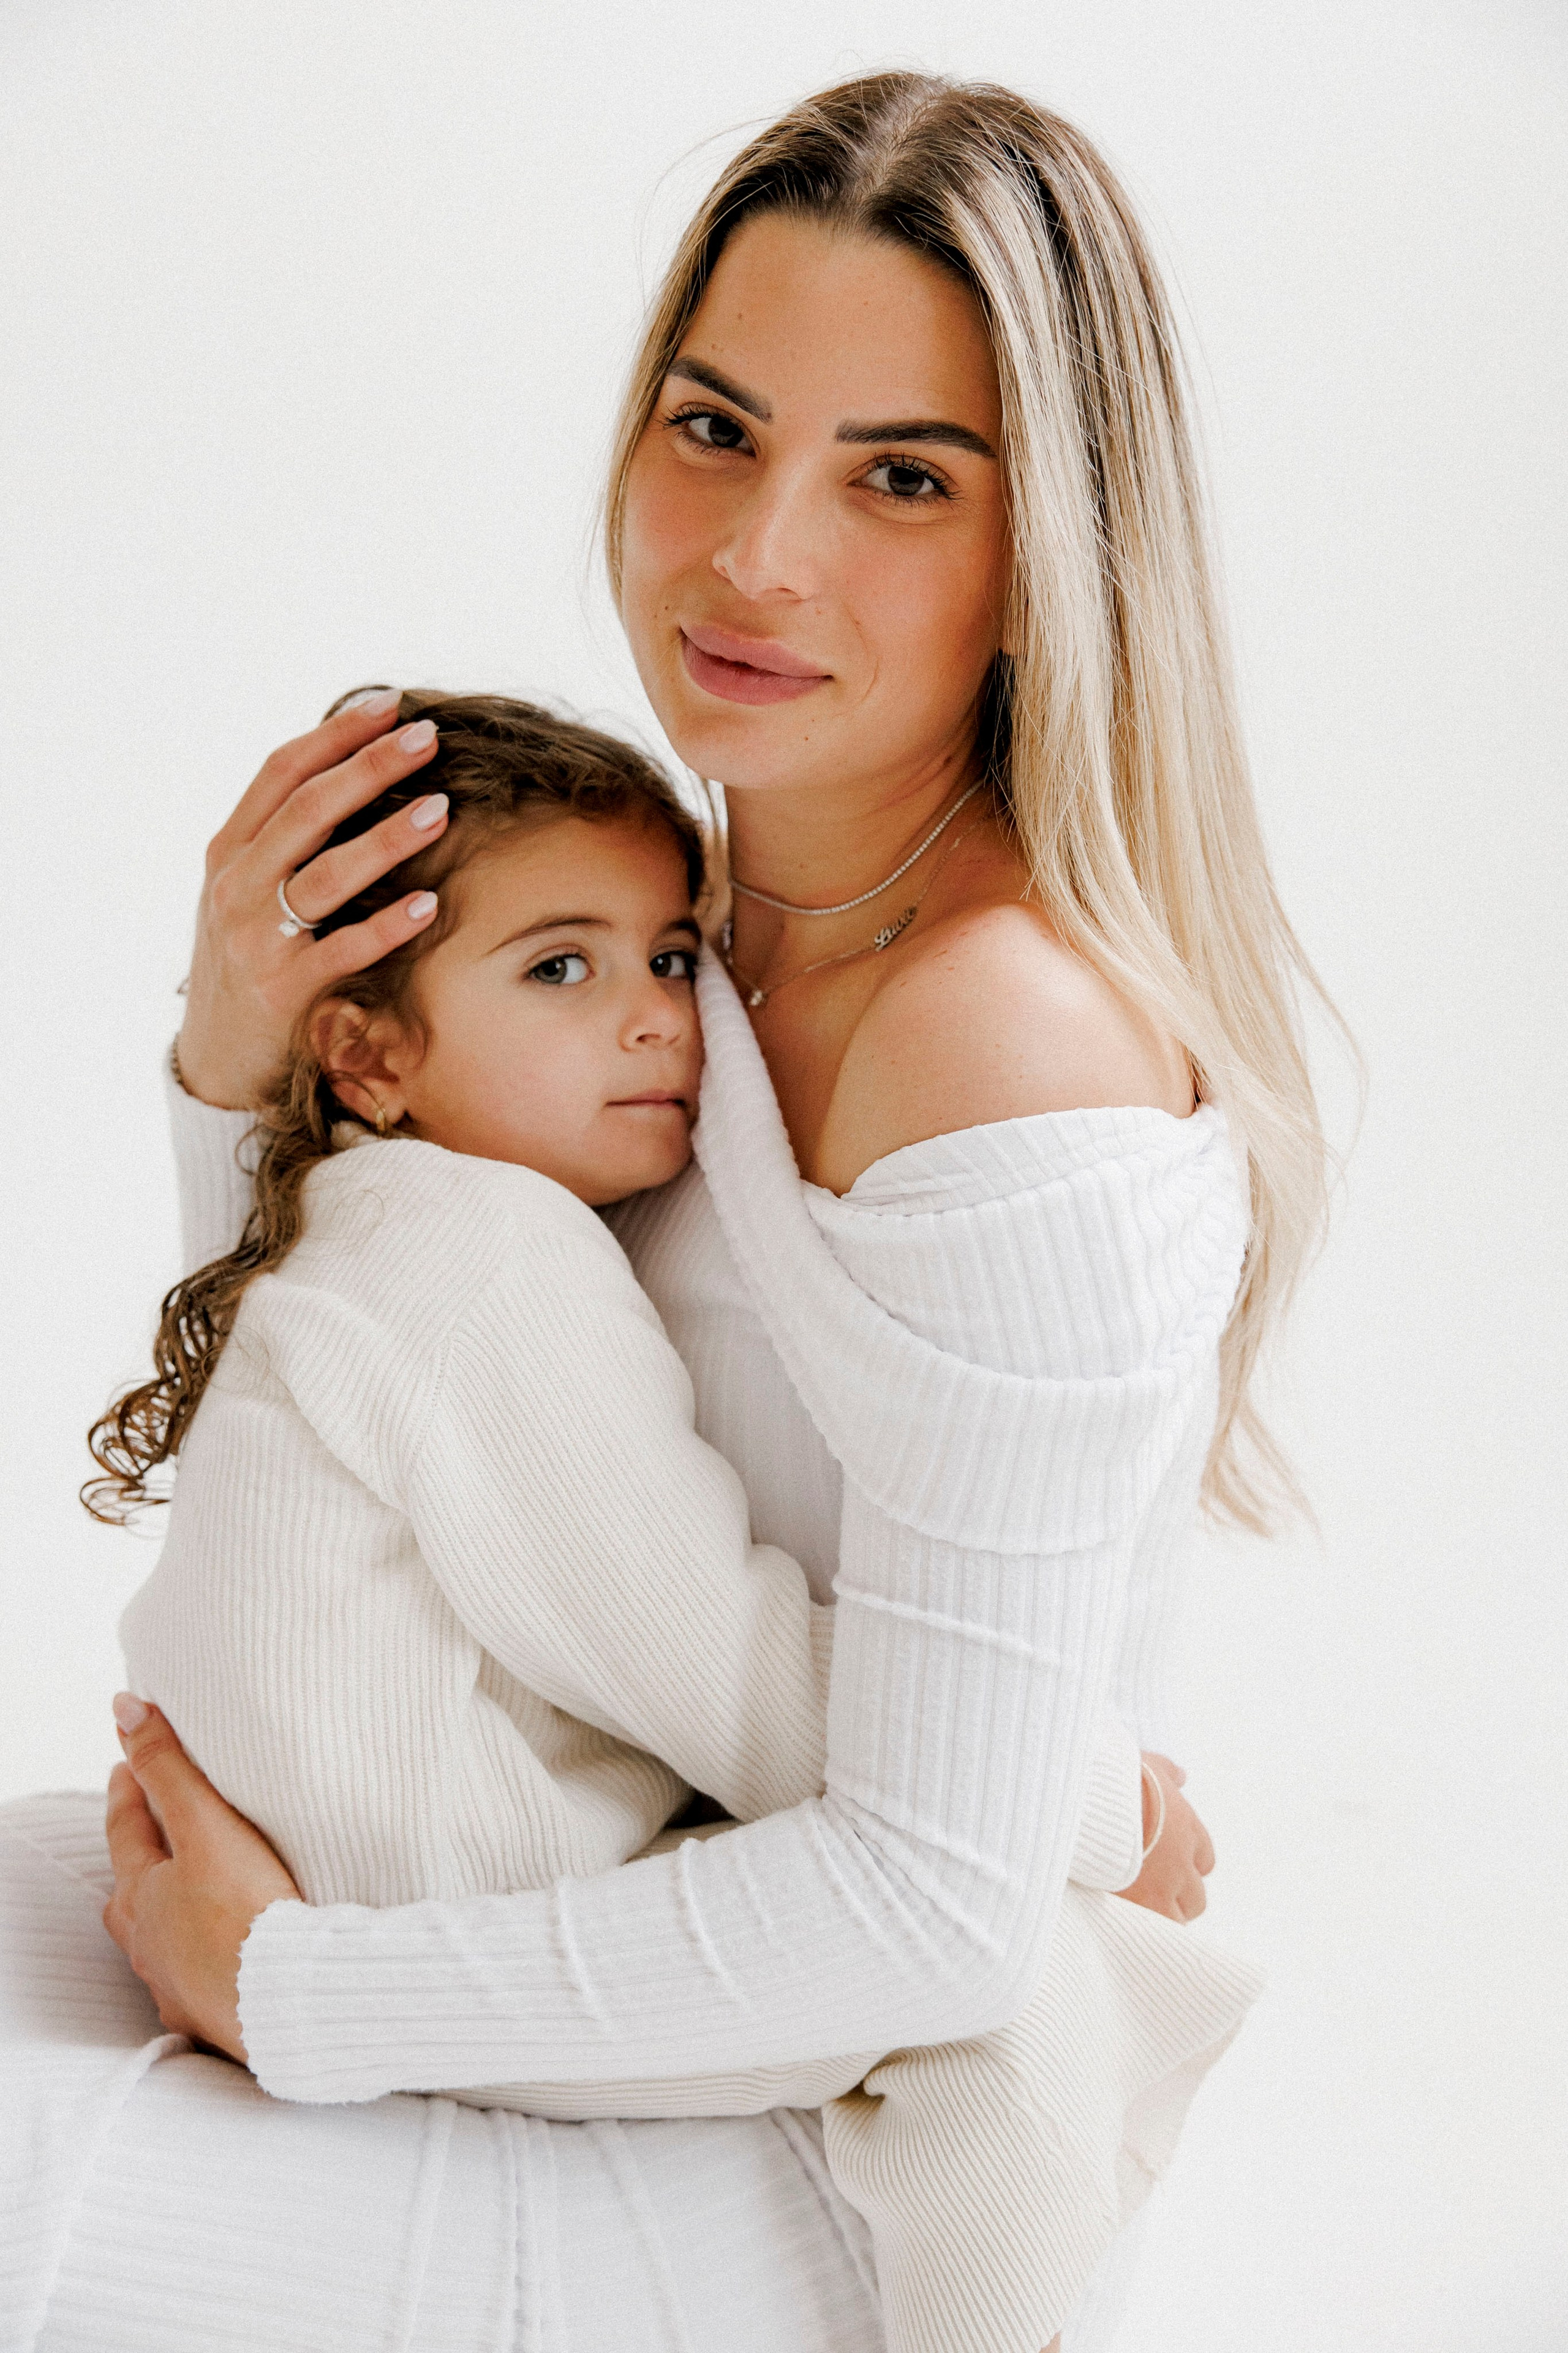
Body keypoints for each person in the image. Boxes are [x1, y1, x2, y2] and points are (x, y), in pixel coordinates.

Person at [0, 71, 1329, 2353]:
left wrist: (285, 1985)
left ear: (1052, 554)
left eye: (900, 477)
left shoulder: (1002, 1039)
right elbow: (379, 1378)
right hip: (604, 1885)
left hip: (844, 2133)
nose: (752, 556)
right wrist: (249, 1053)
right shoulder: (678, 937)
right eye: (714, 428)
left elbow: (938, 1910)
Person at [80, 687, 1257, 2353]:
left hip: (369, 1850)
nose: (655, 1020)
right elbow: (731, 1665)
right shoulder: (484, 1261)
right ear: (369, 1051)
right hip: (424, 1888)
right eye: (561, 966)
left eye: (670, 956)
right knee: (1023, 1994)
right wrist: (1087, 1798)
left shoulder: (390, 1220)